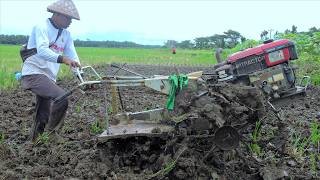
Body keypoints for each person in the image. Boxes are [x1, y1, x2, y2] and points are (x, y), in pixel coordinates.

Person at [21, 0, 81, 142]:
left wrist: (81, 76)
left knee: (43, 115)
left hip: (48, 78)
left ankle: (34, 143)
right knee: (62, 98)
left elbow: (73, 57)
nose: (70, 22)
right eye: (68, 18)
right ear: (57, 14)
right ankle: (52, 136)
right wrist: (63, 59)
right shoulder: (41, 27)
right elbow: (42, 51)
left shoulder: (66, 35)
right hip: (34, 73)